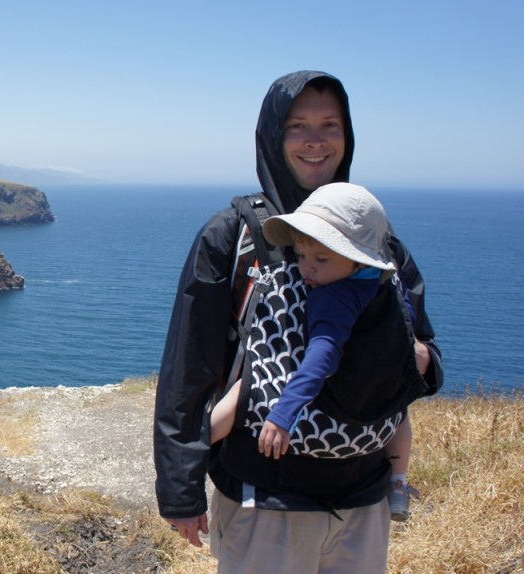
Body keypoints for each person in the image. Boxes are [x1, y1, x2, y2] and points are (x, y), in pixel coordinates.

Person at [153, 71, 443, 574]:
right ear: (271, 136)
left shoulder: (377, 240)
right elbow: (188, 366)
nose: (315, 140)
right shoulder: (233, 234)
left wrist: (419, 361)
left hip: (363, 501)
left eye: (330, 124)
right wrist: (180, 490)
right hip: (264, 503)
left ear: (347, 136)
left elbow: (424, 348)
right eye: (296, 126)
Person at [207, 182, 417, 521]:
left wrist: (283, 414)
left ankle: (194, 457)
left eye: (322, 258)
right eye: (302, 256)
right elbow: (409, 326)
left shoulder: (331, 297)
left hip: (313, 432)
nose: (307, 269)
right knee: (400, 412)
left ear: (354, 256)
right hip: (378, 412)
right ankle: (399, 483)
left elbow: (322, 357)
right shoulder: (388, 282)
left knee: (238, 397)